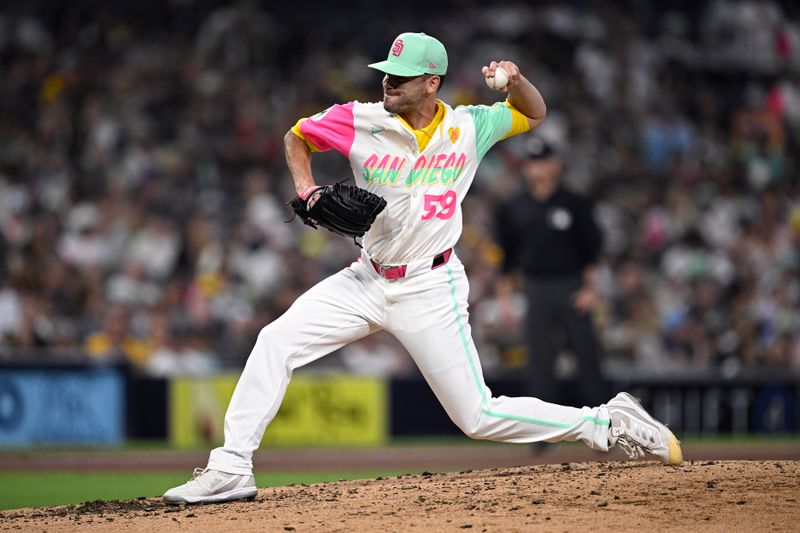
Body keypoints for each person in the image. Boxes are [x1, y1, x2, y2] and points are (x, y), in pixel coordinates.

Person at [164, 32, 682, 505]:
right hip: (366, 278)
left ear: (431, 82)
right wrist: (307, 188)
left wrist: (518, 81)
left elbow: (533, 114)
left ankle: (607, 422)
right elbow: (295, 135)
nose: (387, 81)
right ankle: (232, 467)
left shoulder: (468, 126)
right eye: (386, 72)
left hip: (431, 286)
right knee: (275, 340)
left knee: (476, 415)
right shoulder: (360, 118)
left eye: (401, 75)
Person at [494, 138, 608, 410]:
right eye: (531, 163)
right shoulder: (513, 207)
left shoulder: (576, 203)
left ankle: (604, 428)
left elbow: (592, 250)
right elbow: (507, 258)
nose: (536, 169)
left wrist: (590, 290)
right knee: (539, 359)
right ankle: (543, 433)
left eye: (542, 161)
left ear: (556, 165)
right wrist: (505, 298)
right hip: (535, 286)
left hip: (572, 284)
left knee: (587, 355)